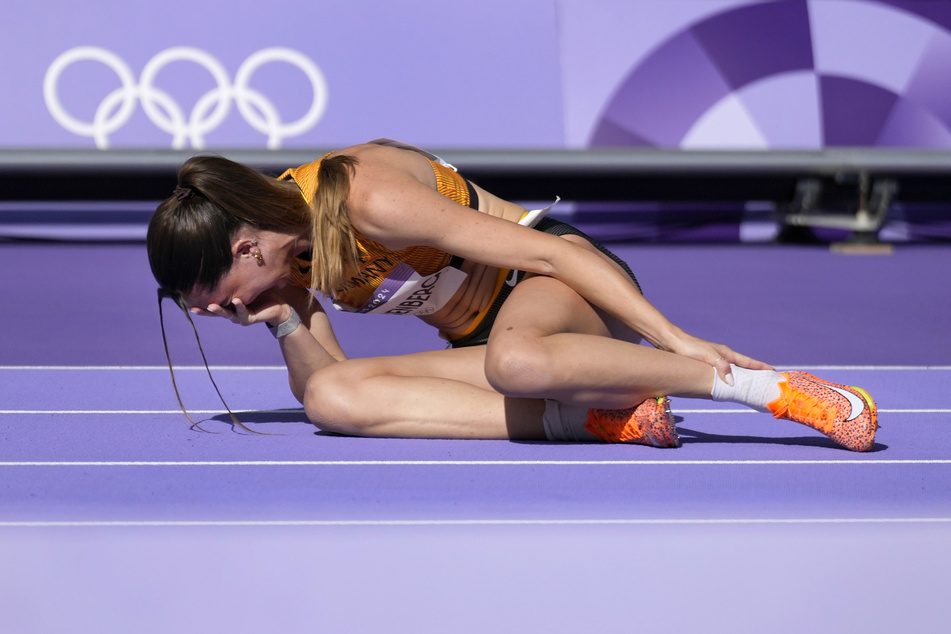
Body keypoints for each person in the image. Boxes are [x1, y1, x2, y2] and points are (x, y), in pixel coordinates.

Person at [147, 139, 878, 451]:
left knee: (517, 361)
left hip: (561, 284)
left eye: (204, 294)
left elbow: (547, 250)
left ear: (243, 248)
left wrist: (674, 339)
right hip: (494, 347)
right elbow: (325, 384)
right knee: (335, 401)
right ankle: (593, 420)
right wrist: (280, 323)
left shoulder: (359, 196)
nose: (207, 311)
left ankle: (759, 386)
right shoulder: (283, 269)